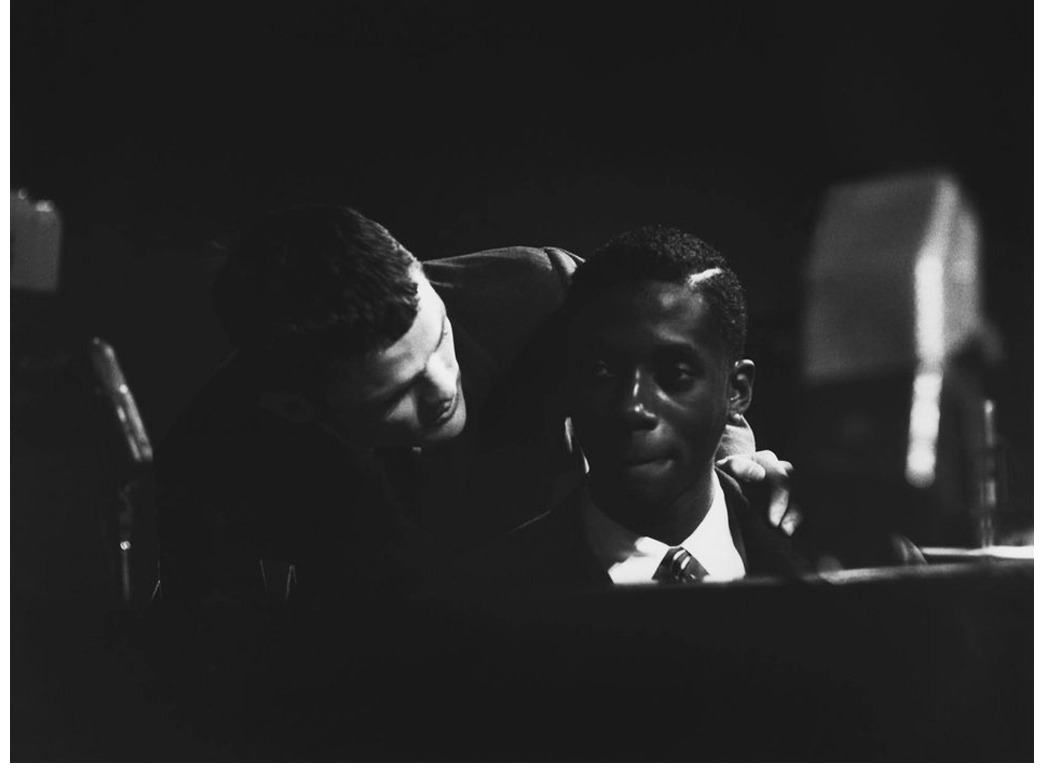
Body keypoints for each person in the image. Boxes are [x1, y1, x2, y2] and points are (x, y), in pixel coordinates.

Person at [156, 206, 796, 603]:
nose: (441, 386)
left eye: (438, 340)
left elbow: (678, 352)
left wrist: (731, 461)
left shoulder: (540, 287)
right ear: (298, 407)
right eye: (396, 394)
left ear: (420, 272)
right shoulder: (219, 459)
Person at [456, 226, 807, 592]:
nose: (633, 407)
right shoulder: (481, 597)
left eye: (675, 375)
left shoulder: (819, 555)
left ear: (737, 391)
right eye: (601, 372)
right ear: (569, 382)